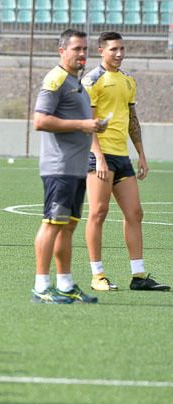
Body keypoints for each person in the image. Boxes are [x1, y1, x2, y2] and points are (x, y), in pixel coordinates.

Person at [82, 32, 170, 292]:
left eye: (122, 49)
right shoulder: (92, 80)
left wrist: (141, 153)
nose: (119, 54)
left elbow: (132, 119)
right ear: (101, 51)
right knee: (98, 213)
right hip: (98, 156)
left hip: (122, 157)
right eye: (113, 50)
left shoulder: (128, 81)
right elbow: (87, 123)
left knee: (135, 213)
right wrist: (97, 156)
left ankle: (138, 275)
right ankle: (97, 275)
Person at [31, 29, 105, 305]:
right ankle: (41, 285)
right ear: (62, 51)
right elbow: (40, 121)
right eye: (77, 49)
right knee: (51, 224)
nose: (82, 54)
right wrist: (83, 125)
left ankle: (65, 284)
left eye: (85, 49)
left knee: (67, 227)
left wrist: (93, 127)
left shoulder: (77, 82)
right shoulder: (56, 79)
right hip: (59, 168)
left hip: (75, 169)